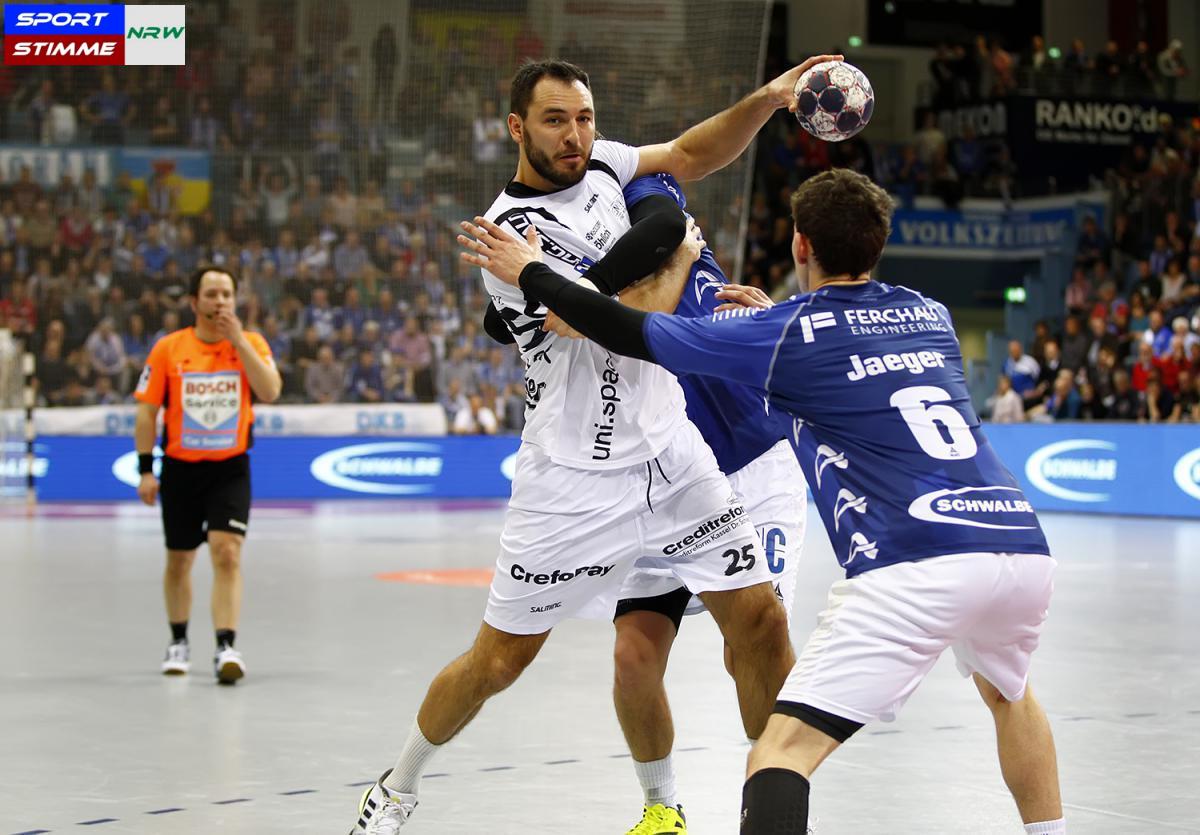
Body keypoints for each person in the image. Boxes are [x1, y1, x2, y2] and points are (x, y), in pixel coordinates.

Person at [467, 167, 1064, 835]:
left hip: (914, 560)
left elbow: (630, 329)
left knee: (778, 754)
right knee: (1012, 695)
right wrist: (770, 319)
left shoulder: (783, 334)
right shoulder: (931, 314)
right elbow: (849, 347)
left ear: (800, 245)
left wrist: (531, 272)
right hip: (1020, 545)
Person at [348, 53, 841, 834]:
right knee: (498, 662)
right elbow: (610, 317)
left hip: (673, 457)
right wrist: (678, 256)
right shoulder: (505, 237)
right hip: (572, 479)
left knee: (763, 622)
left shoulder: (605, 161)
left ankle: (778, 810)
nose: (575, 136)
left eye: (584, 118)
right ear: (517, 129)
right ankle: (396, 785)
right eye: (555, 121)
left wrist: (770, 99)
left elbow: (689, 154)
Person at [487, 172, 807, 833]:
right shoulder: (595, 279)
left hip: (753, 465)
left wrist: (768, 315)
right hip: (660, 475)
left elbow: (665, 218)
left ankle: (778, 804)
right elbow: (517, 320)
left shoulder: (668, 240)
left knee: (753, 640)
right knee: (633, 656)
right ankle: (662, 807)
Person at [133, 266, 282, 684]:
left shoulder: (251, 343)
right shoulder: (168, 349)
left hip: (229, 468)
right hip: (180, 470)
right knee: (179, 560)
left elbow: (270, 390)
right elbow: (146, 412)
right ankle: (178, 641)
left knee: (227, 552)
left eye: (227, 295)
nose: (220, 302)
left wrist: (239, 341)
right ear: (194, 302)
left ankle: (225, 646)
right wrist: (146, 470)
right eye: (212, 294)